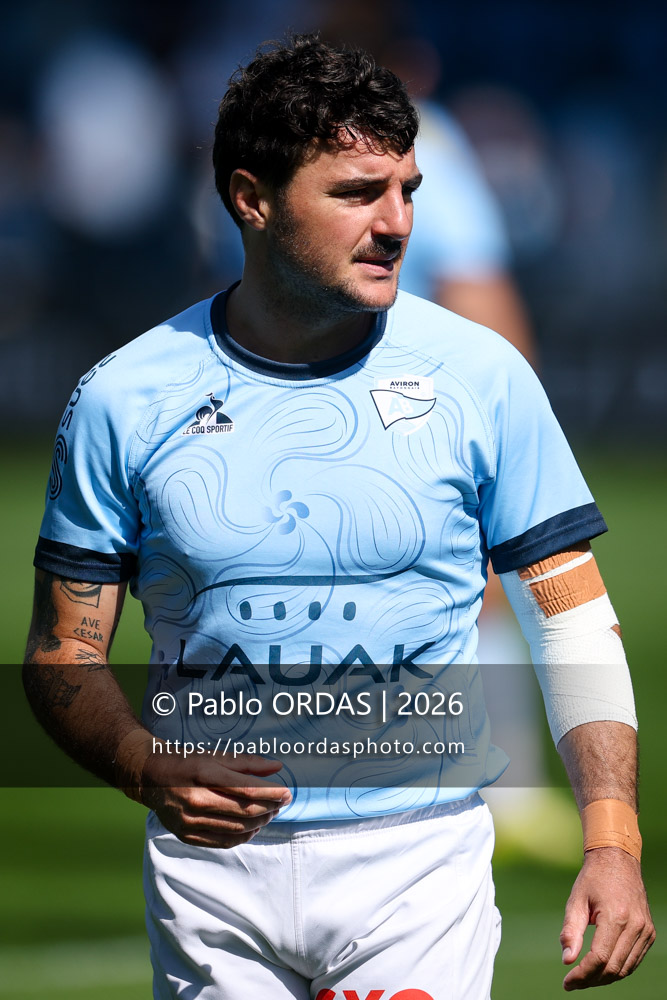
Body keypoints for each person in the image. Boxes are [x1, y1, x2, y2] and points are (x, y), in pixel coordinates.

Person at [23, 33, 654, 1000]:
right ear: (251, 199)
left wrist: (611, 842)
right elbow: (63, 654)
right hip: (209, 886)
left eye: (407, 189)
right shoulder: (124, 398)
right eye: (358, 193)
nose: (397, 223)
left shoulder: (479, 377)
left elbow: (570, 619)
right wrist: (141, 762)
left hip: (416, 866)